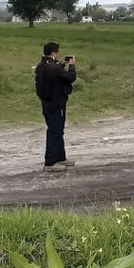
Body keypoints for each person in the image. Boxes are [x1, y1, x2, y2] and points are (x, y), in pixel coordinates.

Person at [34, 41, 77, 172]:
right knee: (55, 131)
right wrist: (72, 66)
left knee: (57, 129)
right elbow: (70, 77)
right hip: (56, 103)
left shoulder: (42, 66)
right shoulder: (53, 68)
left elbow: (53, 75)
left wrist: (60, 65)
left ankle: (60, 157)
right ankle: (50, 162)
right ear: (54, 52)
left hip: (47, 102)